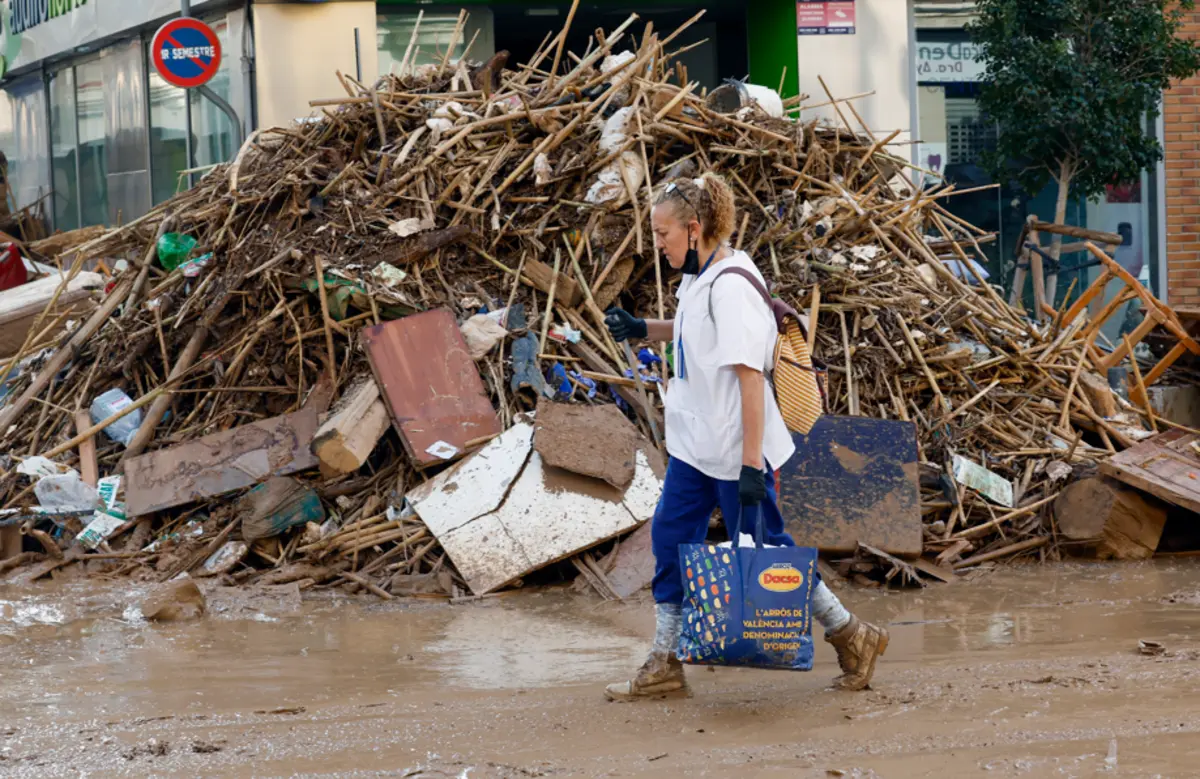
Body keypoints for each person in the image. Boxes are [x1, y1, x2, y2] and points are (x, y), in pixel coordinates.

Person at [602, 173, 888, 702]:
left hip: (736, 451)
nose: (657, 243)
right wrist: (644, 327)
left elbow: (750, 381)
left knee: (769, 553)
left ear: (694, 227)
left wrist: (753, 468)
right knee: (669, 539)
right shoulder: (700, 274)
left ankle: (852, 635)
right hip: (697, 448)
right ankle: (665, 659)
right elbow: (693, 330)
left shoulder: (732, 286)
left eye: (663, 233)